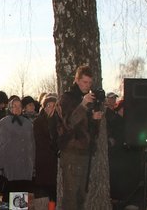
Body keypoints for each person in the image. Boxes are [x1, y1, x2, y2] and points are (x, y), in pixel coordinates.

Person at [56, 65, 103, 210]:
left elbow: (90, 131)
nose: (87, 86)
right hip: (71, 152)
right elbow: (69, 123)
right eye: (84, 82)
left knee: (81, 196)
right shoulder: (67, 98)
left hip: (85, 152)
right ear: (77, 80)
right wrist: (83, 105)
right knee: (71, 197)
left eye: (89, 83)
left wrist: (95, 119)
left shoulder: (89, 100)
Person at [0, 98, 35, 203]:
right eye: (14, 106)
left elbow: (32, 144)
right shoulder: (3, 123)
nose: (17, 108)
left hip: (25, 165)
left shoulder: (28, 123)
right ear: (10, 108)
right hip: (10, 165)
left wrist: (33, 163)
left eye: (19, 106)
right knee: (10, 193)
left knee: (21, 195)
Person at [32, 93, 59, 206]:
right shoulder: (38, 122)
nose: (52, 108)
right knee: (42, 195)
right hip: (42, 163)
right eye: (49, 105)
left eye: (54, 106)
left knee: (53, 195)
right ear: (44, 107)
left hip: (54, 164)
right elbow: (41, 141)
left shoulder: (59, 121)